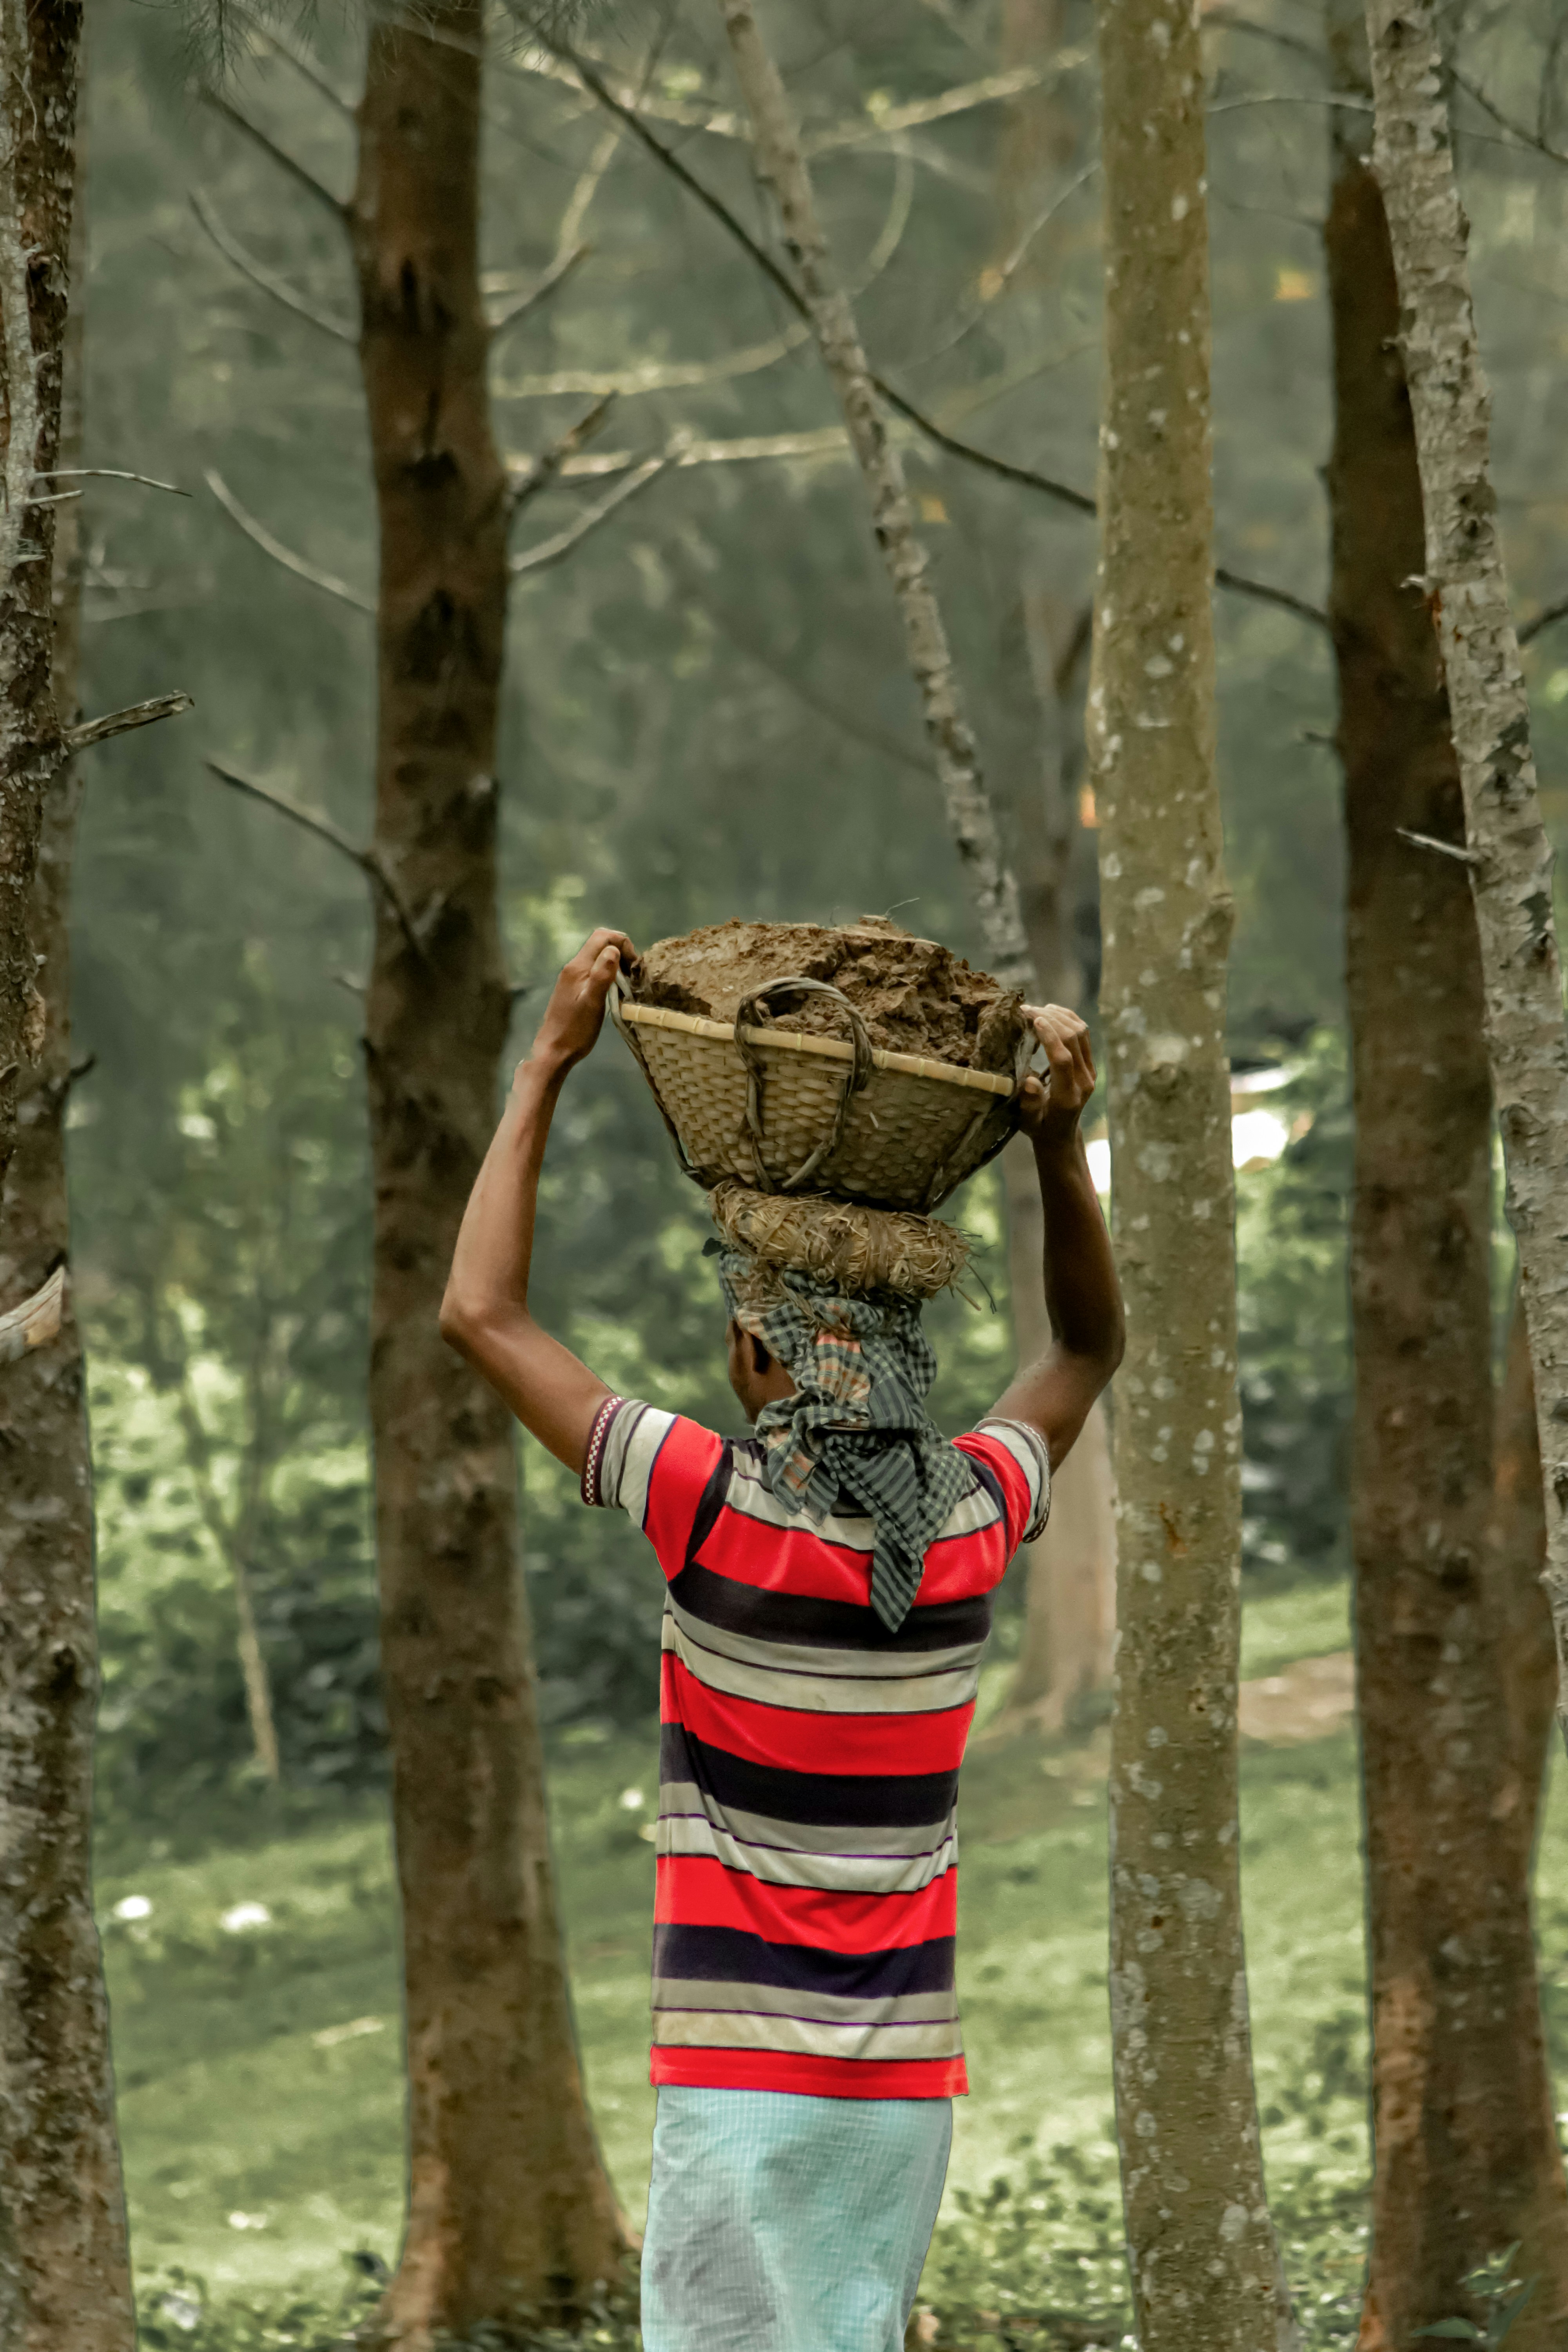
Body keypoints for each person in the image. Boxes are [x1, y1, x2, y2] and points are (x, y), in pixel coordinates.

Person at [440, 927, 1124, 2352]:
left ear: (762, 1355)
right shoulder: (969, 1520)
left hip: (738, 2089)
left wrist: (549, 1062)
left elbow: (480, 1312)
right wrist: (1060, 1148)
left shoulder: (709, 1505)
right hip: (901, 2106)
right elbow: (1081, 1354)